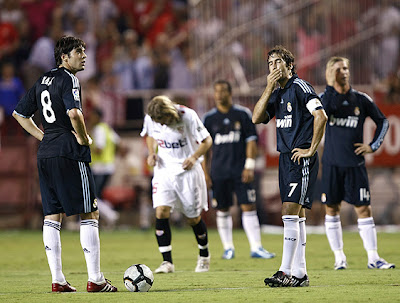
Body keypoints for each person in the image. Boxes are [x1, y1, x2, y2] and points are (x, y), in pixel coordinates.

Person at [12, 36, 117, 292]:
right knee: (89, 211)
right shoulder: (70, 79)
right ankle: (96, 279)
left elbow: (19, 114)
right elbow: (74, 113)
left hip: (45, 153)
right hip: (69, 151)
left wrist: (44, 136)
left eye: (83, 51)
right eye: (78, 51)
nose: (83, 55)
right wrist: (83, 138)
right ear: (64, 57)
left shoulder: (42, 80)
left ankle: (58, 280)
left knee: (52, 215)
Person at [252, 45, 327, 287]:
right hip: (285, 159)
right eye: (270, 64)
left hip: (300, 159)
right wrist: (267, 87)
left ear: (290, 65)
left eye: (277, 62)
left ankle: (285, 271)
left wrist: (312, 149)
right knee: (298, 216)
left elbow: (321, 116)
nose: (273, 67)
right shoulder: (277, 93)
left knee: (288, 211)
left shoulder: (300, 87)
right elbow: (256, 118)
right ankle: (300, 273)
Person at [321, 56, 394, 270]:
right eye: (337, 69)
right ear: (329, 73)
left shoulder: (361, 99)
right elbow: (321, 114)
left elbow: (383, 121)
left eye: (345, 68)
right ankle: (339, 258)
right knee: (331, 209)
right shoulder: (326, 99)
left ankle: (373, 258)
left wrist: (373, 145)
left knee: (364, 209)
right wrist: (329, 86)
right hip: (332, 164)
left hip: (355, 165)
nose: (343, 72)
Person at [202, 79, 275, 260]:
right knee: (223, 209)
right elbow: (204, 148)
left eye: (223, 91)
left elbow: (251, 141)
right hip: (219, 172)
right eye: (216, 91)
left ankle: (256, 247)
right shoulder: (209, 119)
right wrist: (205, 173)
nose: (219, 95)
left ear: (230, 93)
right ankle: (228, 248)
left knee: (248, 207)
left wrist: (249, 166)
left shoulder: (243, 114)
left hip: (241, 171)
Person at [140, 95, 212, 273]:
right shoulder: (151, 117)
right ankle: (167, 262)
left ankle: (204, 256)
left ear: (169, 113)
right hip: (164, 170)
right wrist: (151, 153)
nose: (162, 125)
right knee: (161, 211)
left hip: (187, 171)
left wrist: (194, 157)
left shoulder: (188, 116)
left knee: (192, 217)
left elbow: (207, 141)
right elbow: (149, 135)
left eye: (163, 120)